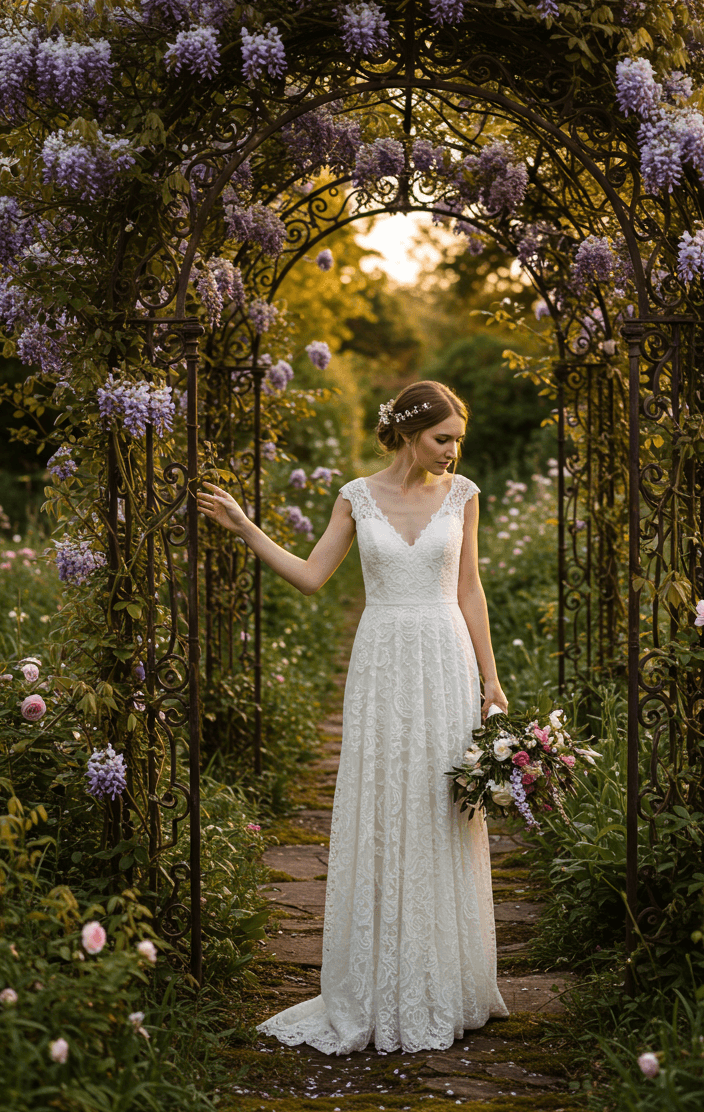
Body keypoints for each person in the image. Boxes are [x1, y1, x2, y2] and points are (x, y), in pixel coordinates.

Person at [196, 379, 509, 1054]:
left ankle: (445, 979)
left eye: (458, 439)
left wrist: (491, 678)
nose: (452, 451)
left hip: (444, 658)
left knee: (442, 810)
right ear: (407, 433)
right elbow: (312, 576)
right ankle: (378, 980)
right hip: (381, 664)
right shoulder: (355, 497)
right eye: (441, 438)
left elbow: (469, 586)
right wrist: (247, 527)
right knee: (385, 805)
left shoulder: (463, 496)